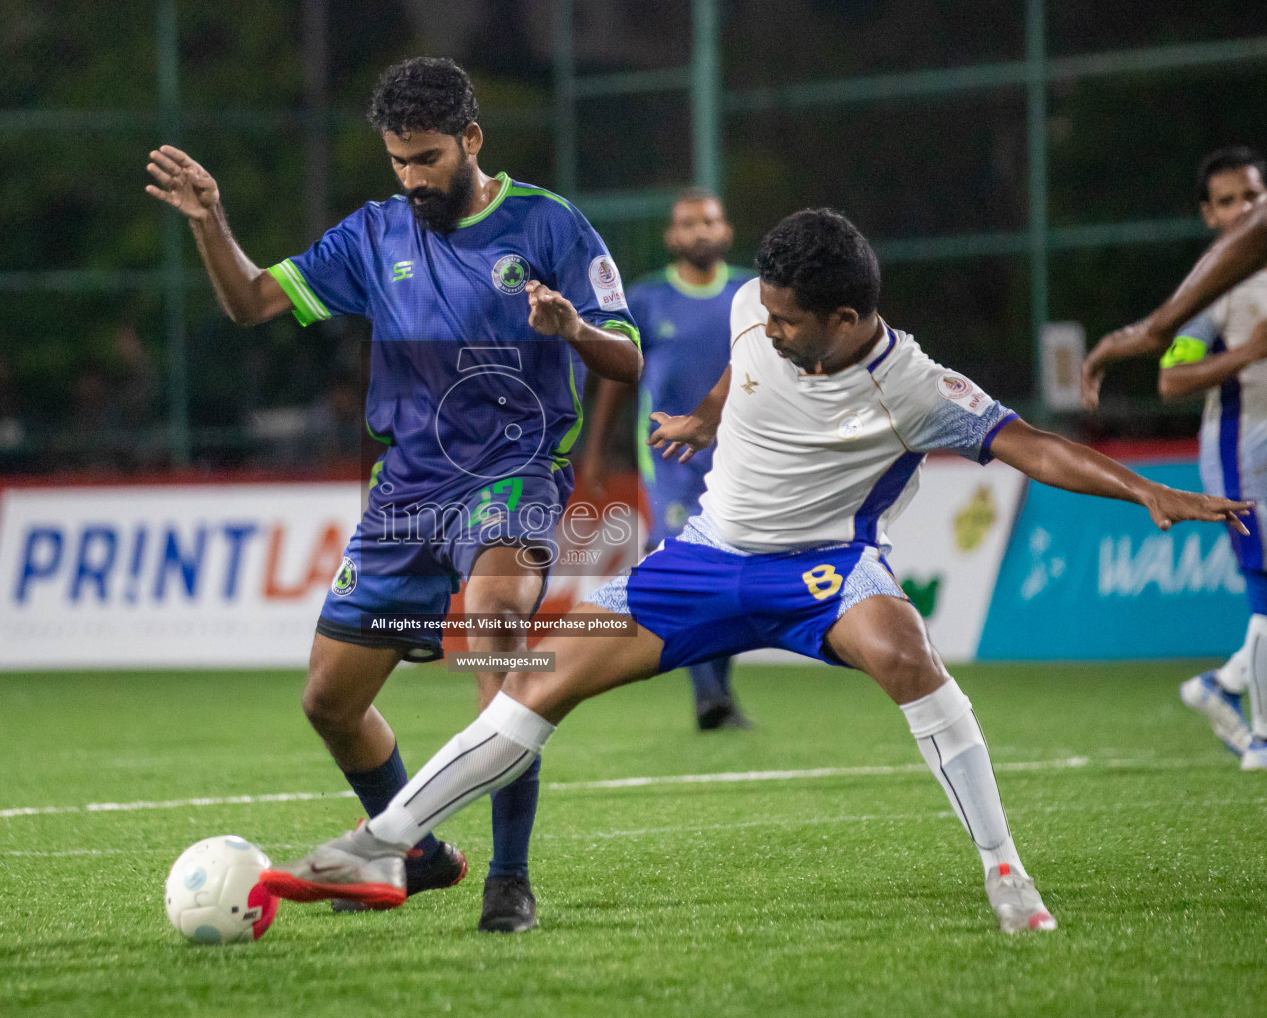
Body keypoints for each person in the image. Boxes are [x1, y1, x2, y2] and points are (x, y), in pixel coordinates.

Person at [260, 209, 1251, 934]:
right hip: (699, 563)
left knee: (908, 656)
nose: (769, 324)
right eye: (765, 309)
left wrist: (1144, 491)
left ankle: (1007, 875)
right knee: (537, 683)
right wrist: (704, 414)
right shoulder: (752, 308)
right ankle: (383, 839)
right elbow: (746, 358)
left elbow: (1030, 444)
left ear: (847, 315)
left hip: (822, 572)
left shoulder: (915, 385)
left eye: (790, 319)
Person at [144, 57, 641, 933]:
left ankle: (510, 881)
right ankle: (420, 856)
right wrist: (212, 224)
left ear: (471, 141)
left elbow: (627, 357)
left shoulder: (551, 224)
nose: (412, 179)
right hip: (407, 492)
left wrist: (574, 328)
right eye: (398, 162)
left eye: (427, 159)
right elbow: (255, 301)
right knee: (330, 701)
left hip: (513, 475)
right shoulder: (373, 235)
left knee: (495, 632)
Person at [1080, 146, 1267, 769]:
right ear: (1208, 215)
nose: (1245, 208)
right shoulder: (1219, 285)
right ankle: (1262, 736)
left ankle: (1223, 686)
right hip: (1243, 448)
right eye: (1229, 200)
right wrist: (1243, 356)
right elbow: (1170, 377)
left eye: (1253, 194)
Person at [579, 189, 755, 731]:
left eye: (709, 221)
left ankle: (716, 692)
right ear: (671, 237)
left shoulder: (753, 294)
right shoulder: (648, 299)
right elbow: (618, 377)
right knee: (688, 571)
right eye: (687, 223)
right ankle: (709, 695)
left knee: (733, 576)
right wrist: (595, 448)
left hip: (744, 457)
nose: (699, 231)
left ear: (726, 230)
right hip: (671, 462)